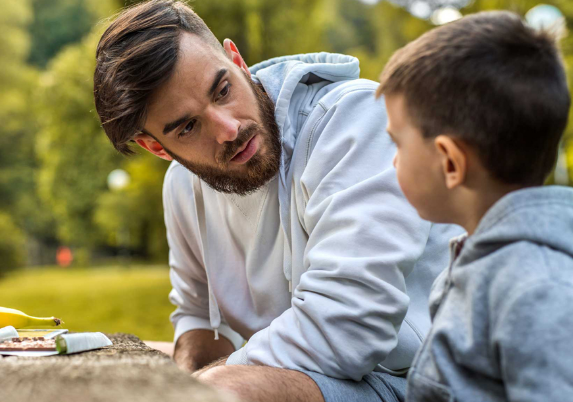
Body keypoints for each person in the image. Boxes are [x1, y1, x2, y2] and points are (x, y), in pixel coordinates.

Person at [93, 1, 463, 401]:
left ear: (238, 61)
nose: (229, 129)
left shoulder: (353, 121)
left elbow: (350, 327)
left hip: (433, 382)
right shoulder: (183, 188)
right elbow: (199, 320)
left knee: (220, 389)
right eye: (187, 126)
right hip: (329, 377)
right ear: (157, 147)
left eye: (222, 90)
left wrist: (203, 386)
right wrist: (188, 376)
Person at [378, 10, 573, 402]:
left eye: (398, 144)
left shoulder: (542, 295)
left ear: (450, 162)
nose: (394, 161)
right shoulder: (480, 261)